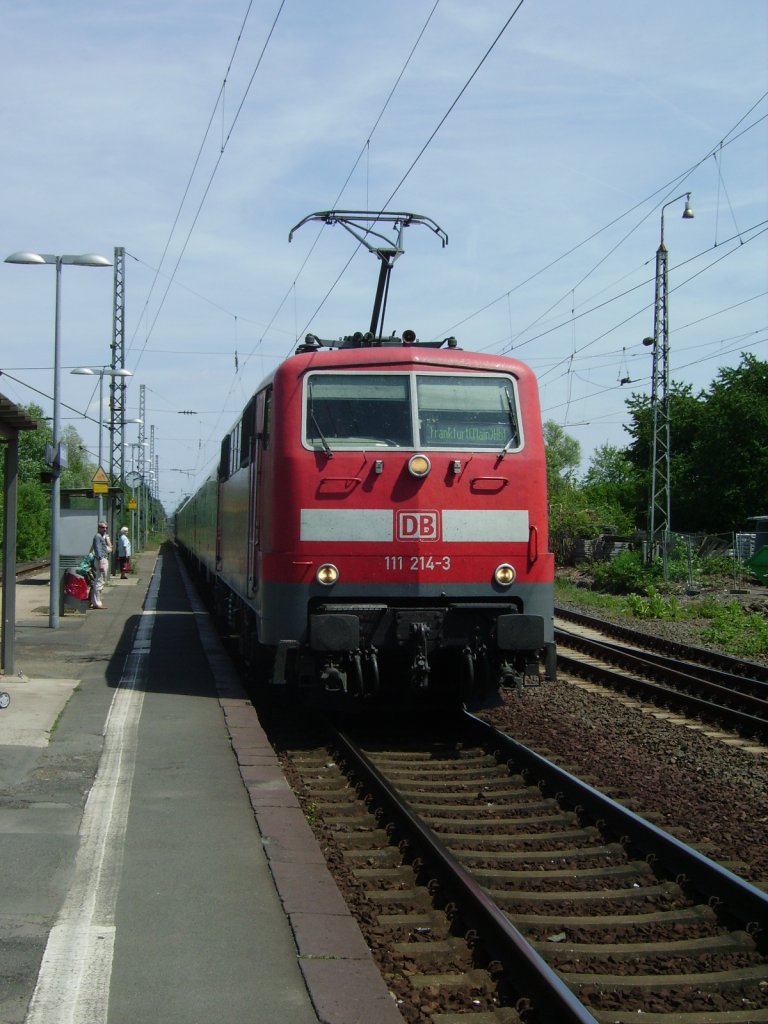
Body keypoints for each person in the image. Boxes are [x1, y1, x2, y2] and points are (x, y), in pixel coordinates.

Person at [90, 520, 112, 608]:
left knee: (101, 580)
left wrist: (107, 539)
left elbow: (110, 548)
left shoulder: (102, 537)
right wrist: (100, 563)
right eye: (102, 527)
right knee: (99, 580)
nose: (105, 529)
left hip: (103, 559)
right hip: (101, 559)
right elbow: (98, 551)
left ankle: (97, 601)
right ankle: (96, 602)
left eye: (106, 528)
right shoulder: (97, 537)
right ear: (98, 528)